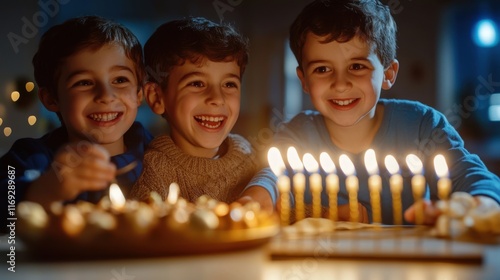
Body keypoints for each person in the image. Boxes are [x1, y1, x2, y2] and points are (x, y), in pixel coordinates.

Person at [249, 0, 500, 225]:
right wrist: (254, 199)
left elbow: (469, 174)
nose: (340, 83)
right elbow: (271, 175)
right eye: (323, 69)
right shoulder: (297, 133)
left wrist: (483, 203)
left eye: (357, 66)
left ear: (388, 73)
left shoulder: (423, 125)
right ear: (303, 80)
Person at [0, 16, 153, 226]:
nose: (106, 95)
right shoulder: (31, 157)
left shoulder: (160, 153)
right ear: (51, 98)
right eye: (84, 82)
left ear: (139, 93)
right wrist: (45, 190)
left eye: (120, 80)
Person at [129, 17, 272, 210]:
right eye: (197, 83)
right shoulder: (153, 172)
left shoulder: (250, 155)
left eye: (229, 84)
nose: (217, 98)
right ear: (156, 97)